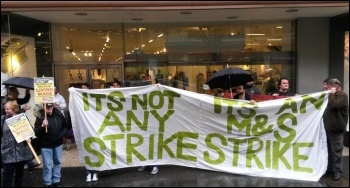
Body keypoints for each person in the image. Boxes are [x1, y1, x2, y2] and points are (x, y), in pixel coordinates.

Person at [34, 102, 69, 187]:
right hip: (46, 145)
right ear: (43, 107)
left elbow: (65, 126)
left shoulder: (59, 114)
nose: (49, 108)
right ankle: (47, 182)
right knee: (47, 165)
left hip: (58, 143)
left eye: (50, 106)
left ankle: (56, 180)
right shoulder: (40, 117)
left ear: (53, 106)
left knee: (57, 162)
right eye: (47, 107)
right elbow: (36, 132)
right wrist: (42, 126)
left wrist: (62, 134)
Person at [1, 101, 33, 187]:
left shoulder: (22, 118)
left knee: (19, 176)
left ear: (14, 109)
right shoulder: (3, 119)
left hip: (21, 152)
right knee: (7, 177)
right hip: (8, 153)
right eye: (5, 109)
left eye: (8, 109)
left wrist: (29, 137)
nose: (6, 111)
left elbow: (30, 131)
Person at [323, 78, 348, 181]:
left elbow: (334, 105)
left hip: (336, 128)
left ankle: (337, 171)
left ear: (336, 86)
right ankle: (330, 169)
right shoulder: (329, 95)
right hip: (328, 127)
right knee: (328, 149)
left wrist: (331, 94)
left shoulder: (343, 95)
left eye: (330, 87)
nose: (328, 89)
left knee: (336, 150)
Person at [80, 84, 99, 182]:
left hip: (94, 130)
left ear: (88, 89)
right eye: (81, 88)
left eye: (85, 88)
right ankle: (88, 173)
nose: (83, 89)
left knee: (95, 150)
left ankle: (95, 172)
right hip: (84, 130)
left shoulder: (92, 99)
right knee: (86, 151)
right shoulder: (79, 100)